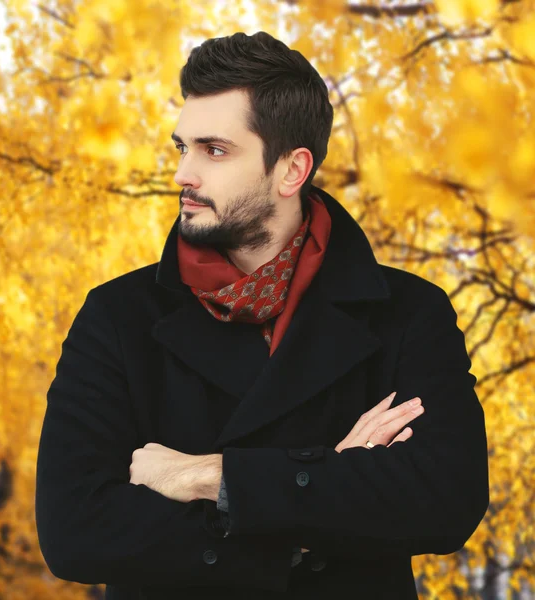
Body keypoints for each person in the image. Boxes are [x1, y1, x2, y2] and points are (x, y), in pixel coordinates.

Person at [35, 31, 489, 600]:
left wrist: (208, 476)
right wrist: (318, 492)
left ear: (291, 171)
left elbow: (448, 498)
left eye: (214, 150)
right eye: (183, 147)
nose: (183, 175)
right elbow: (74, 531)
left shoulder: (407, 313)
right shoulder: (117, 316)